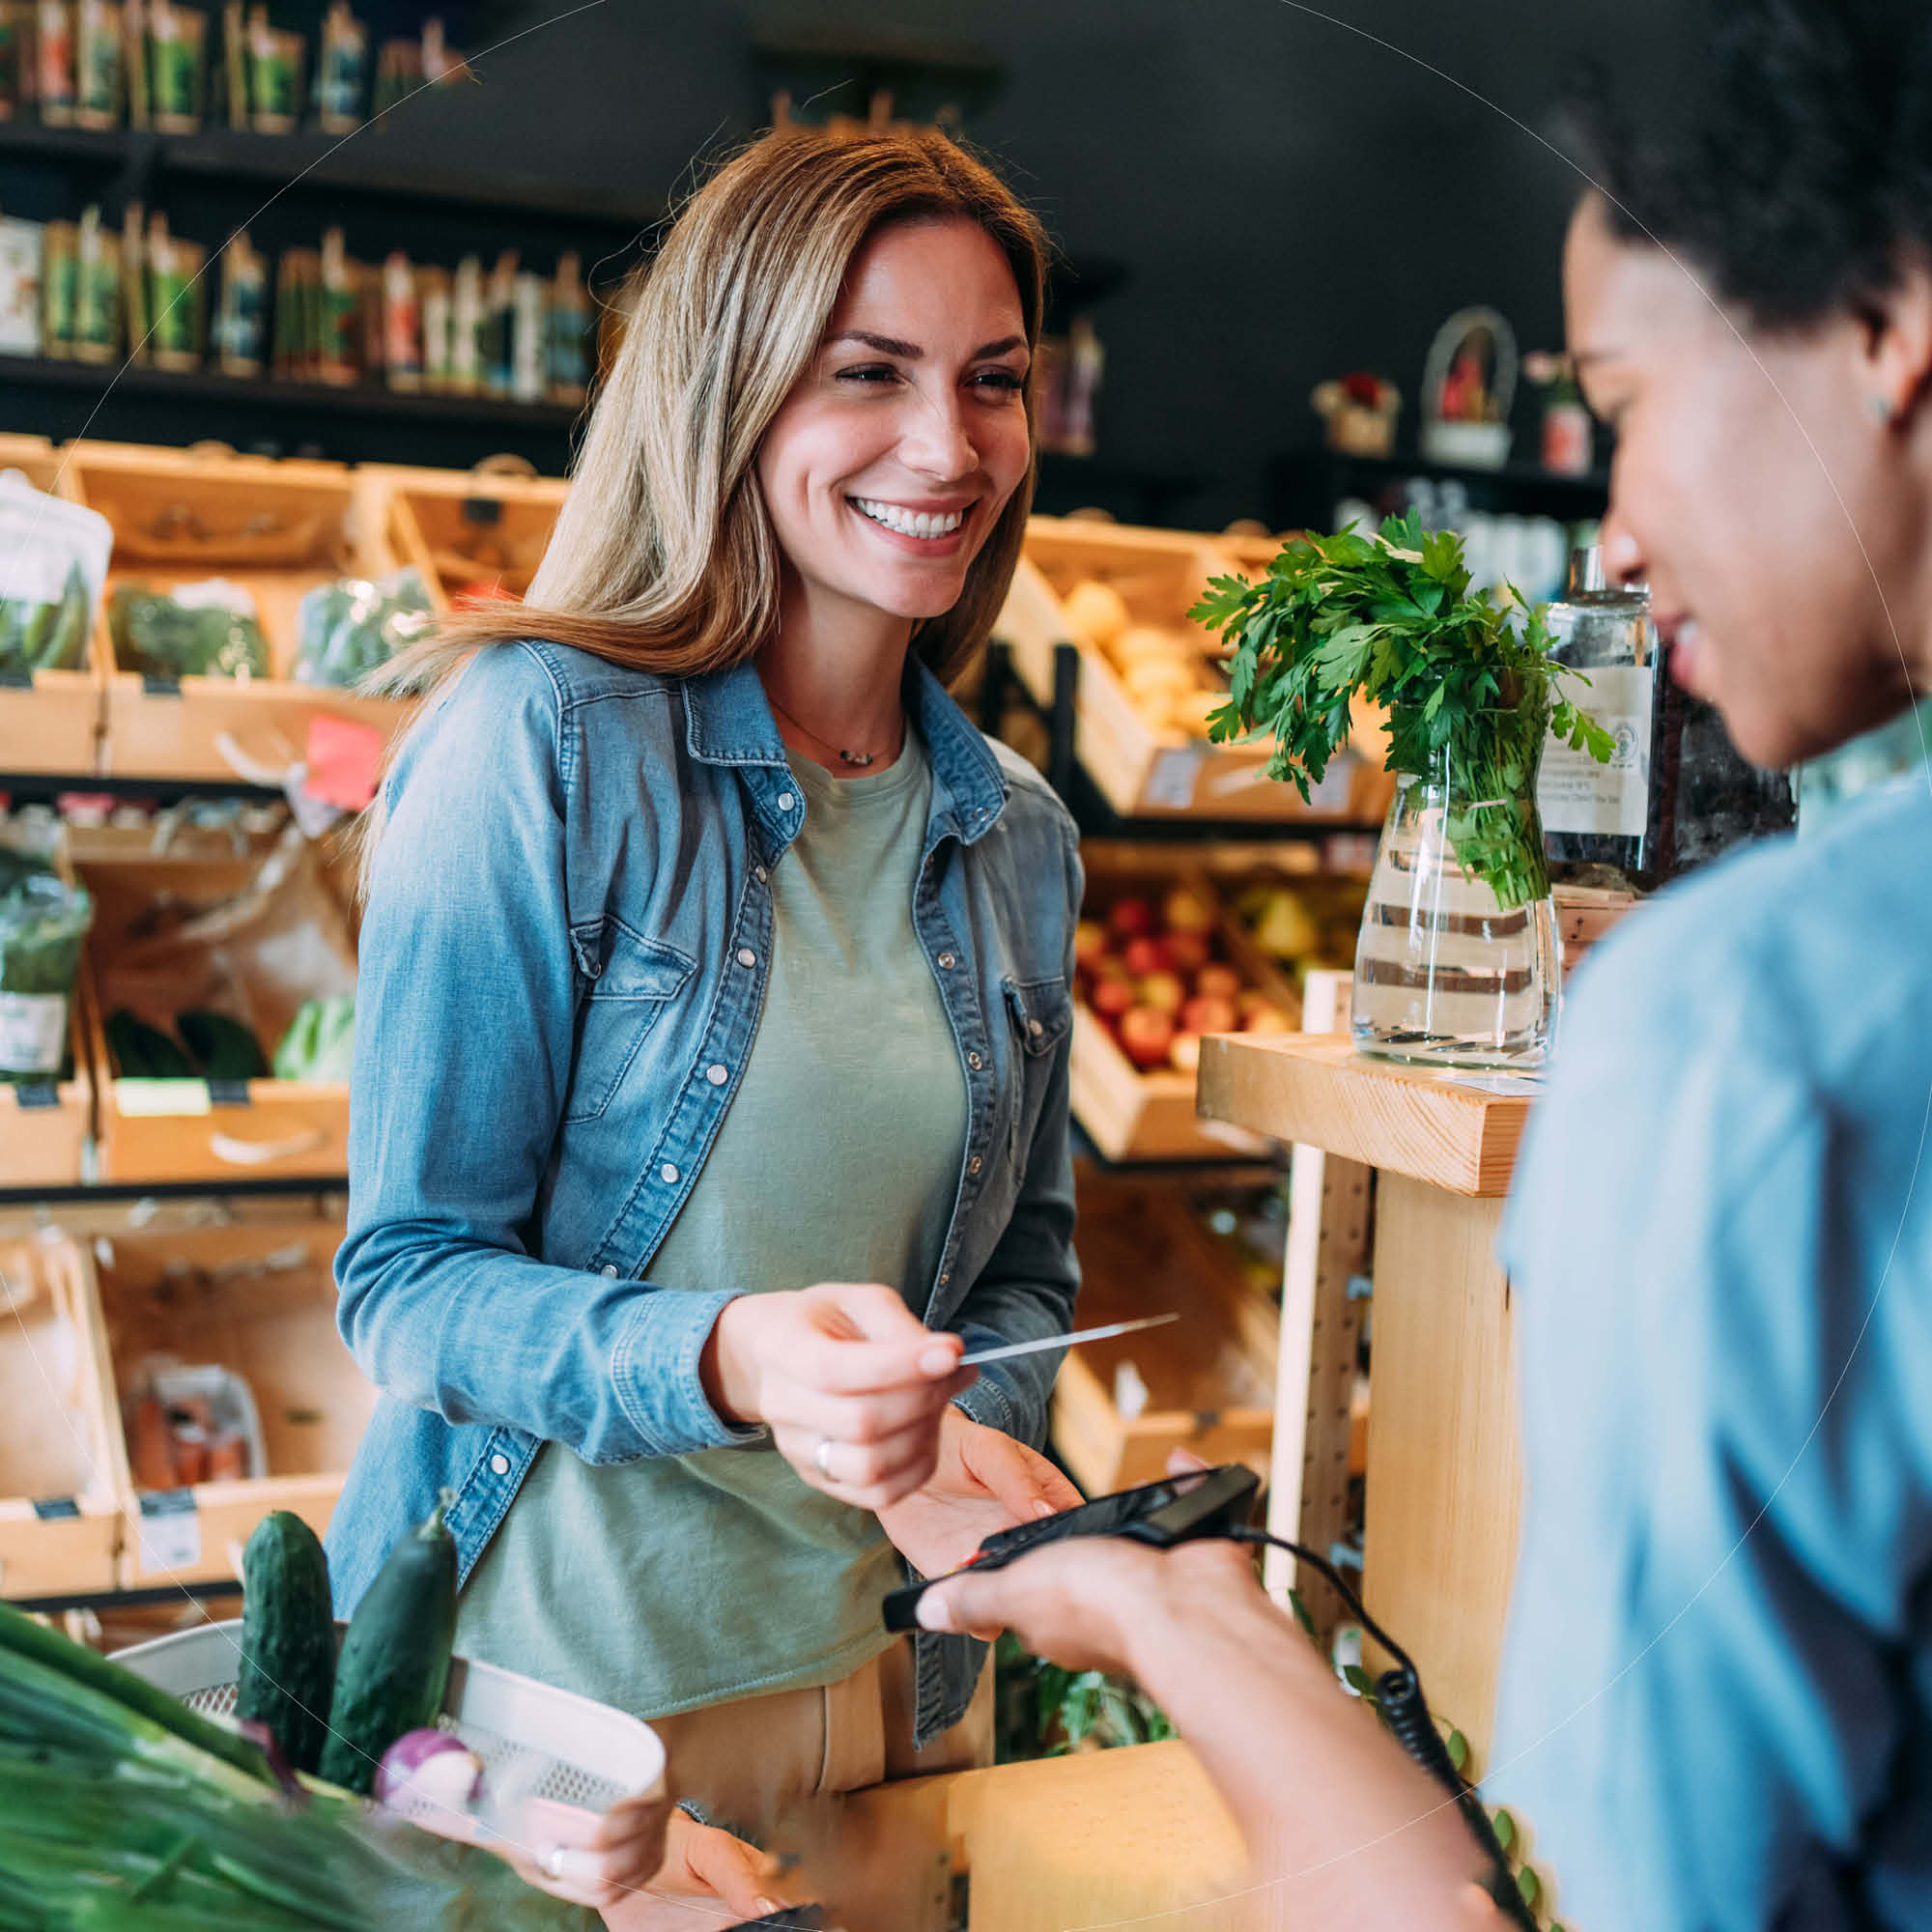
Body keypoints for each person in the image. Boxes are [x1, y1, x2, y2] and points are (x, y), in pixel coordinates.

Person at [923, 3, 1932, 1926]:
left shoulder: (1749, 1041)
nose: (1616, 539)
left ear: (1884, 319)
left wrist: (1193, 1630)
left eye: (1626, 404)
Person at [327, 125, 1084, 1923]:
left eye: (993, 384)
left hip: (887, 1701)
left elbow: (1025, 1274)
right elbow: (409, 1280)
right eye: (868, 376)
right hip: (551, 1726)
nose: (946, 446)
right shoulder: (544, 746)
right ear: (732, 393)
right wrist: (732, 1358)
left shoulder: (1018, 839)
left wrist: (966, 1423)